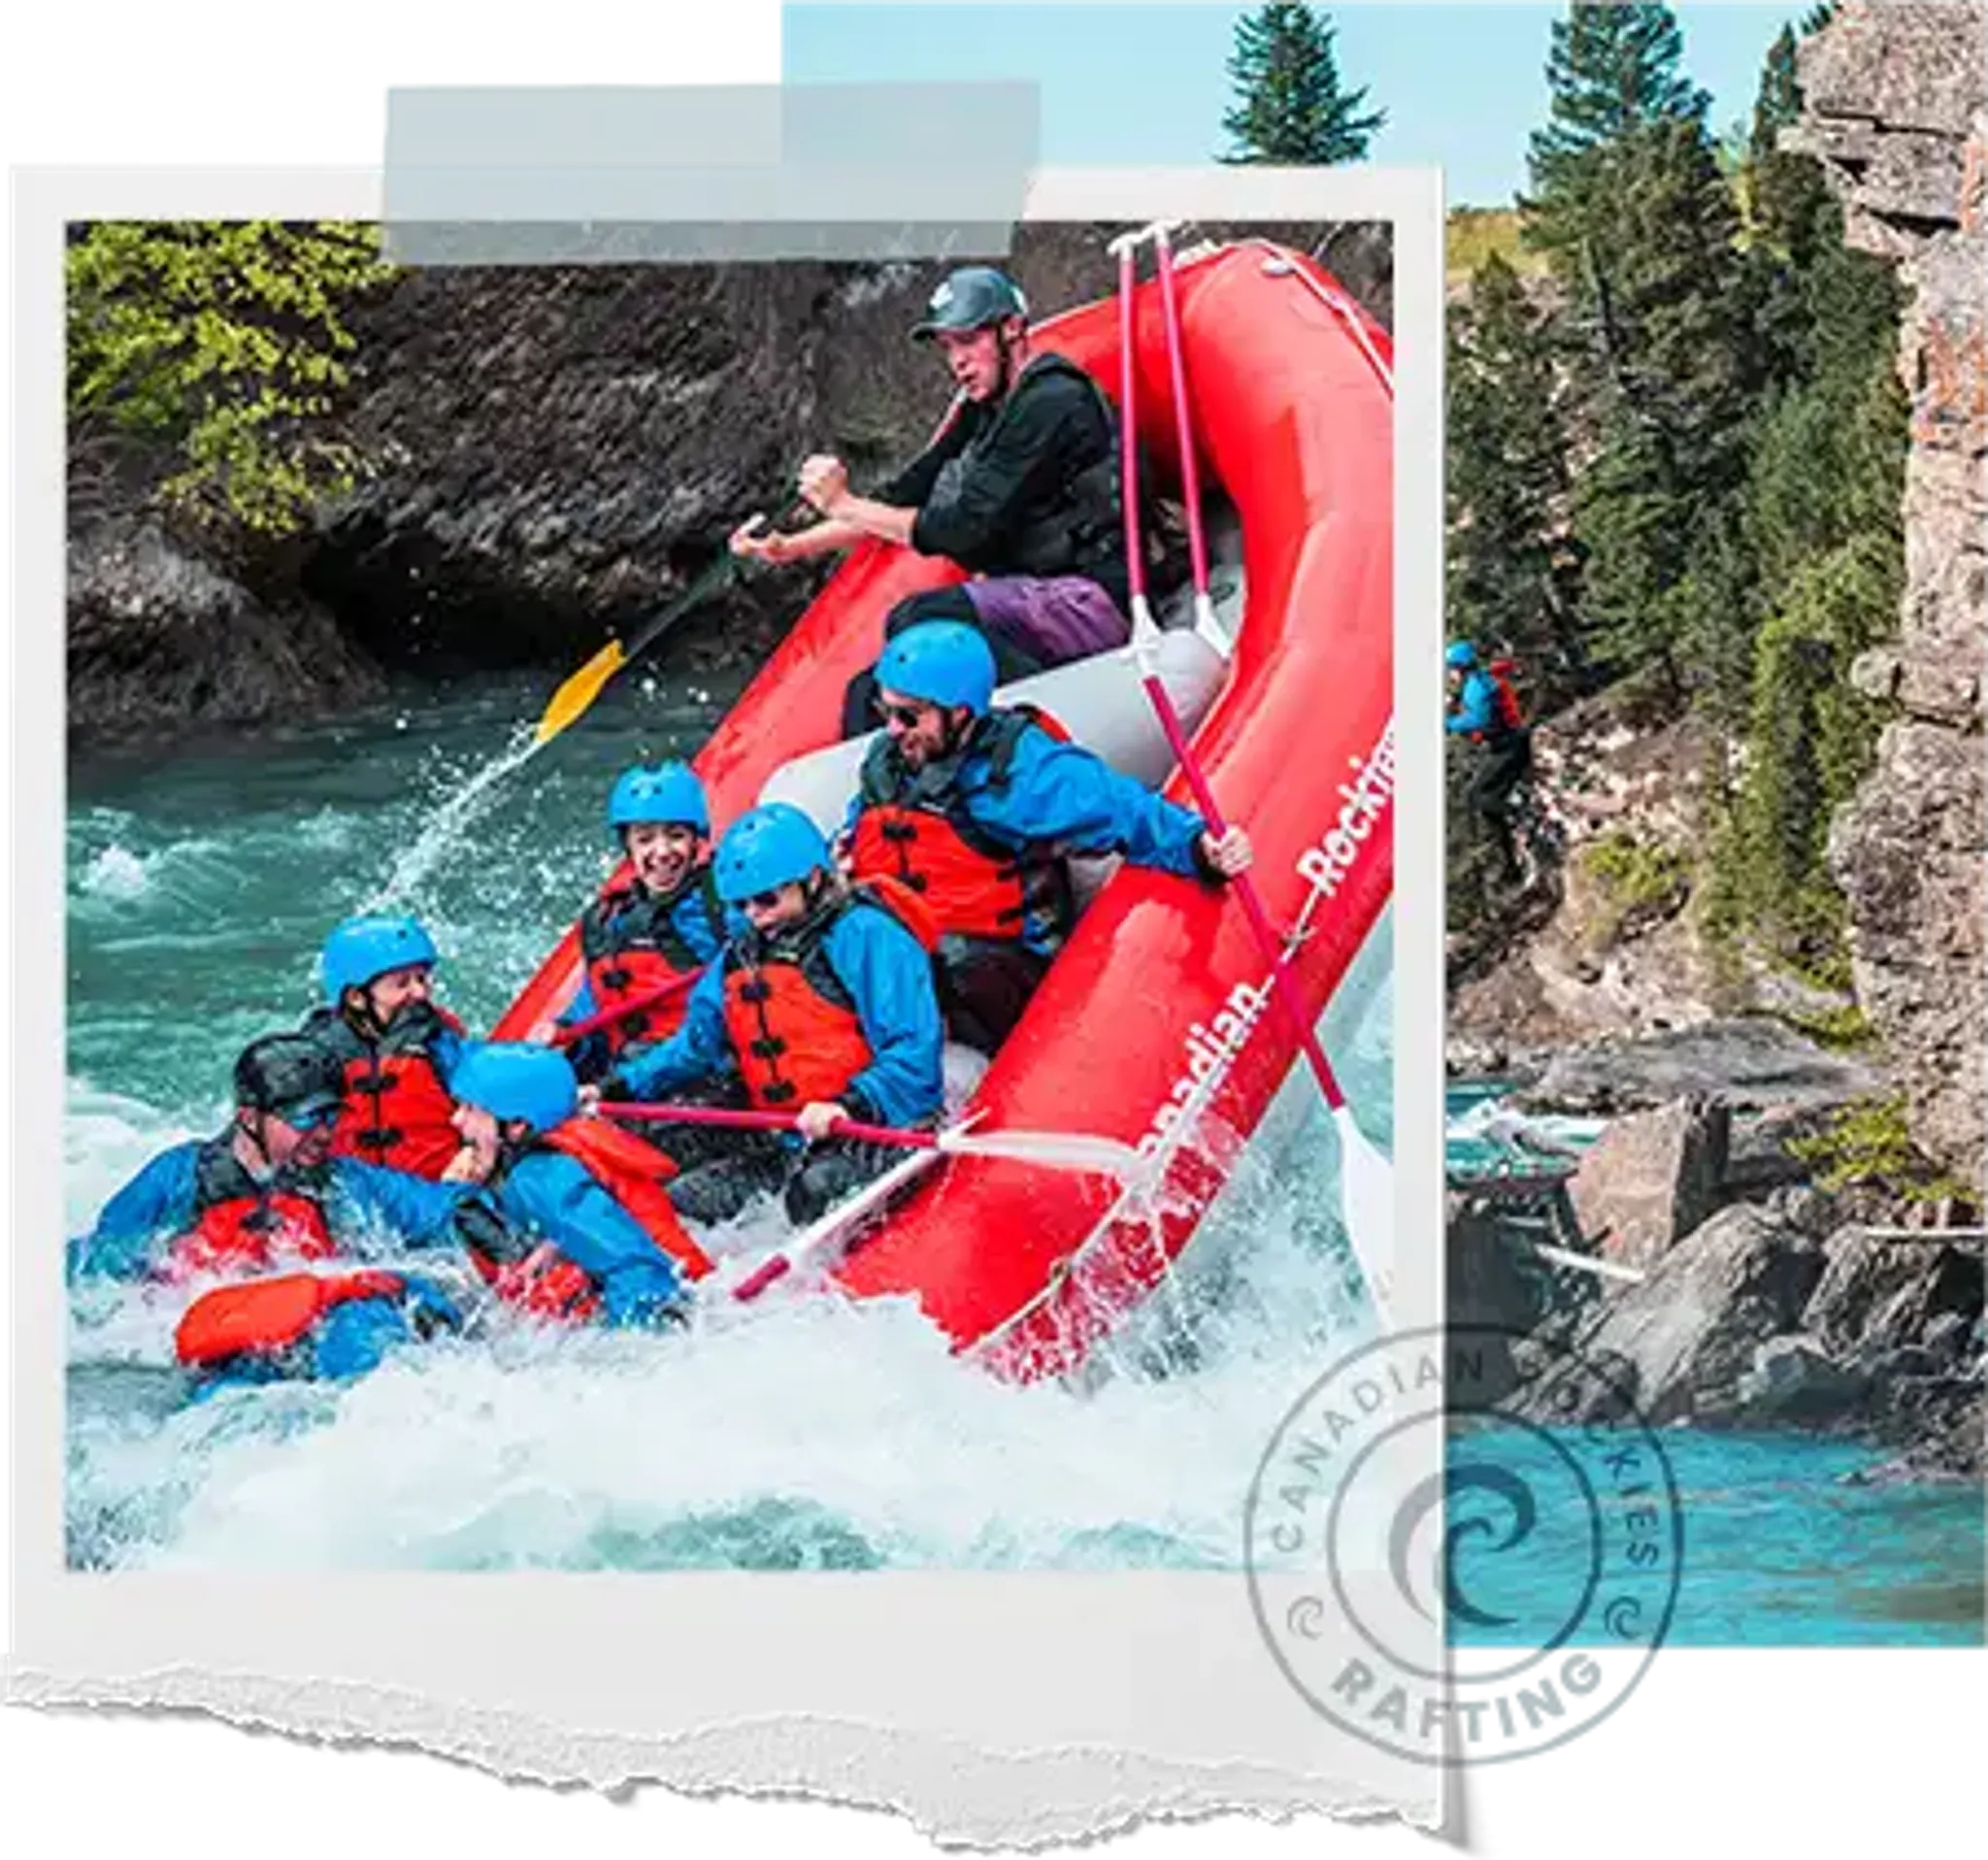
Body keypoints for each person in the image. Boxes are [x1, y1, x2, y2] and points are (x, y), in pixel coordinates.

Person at [728, 264, 1150, 739]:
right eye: (948, 346)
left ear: (1012, 330)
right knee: (868, 690)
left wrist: (844, 503)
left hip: (1088, 601)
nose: (958, 361)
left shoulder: (1052, 401)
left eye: (969, 341)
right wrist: (792, 546)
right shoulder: (985, 408)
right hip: (1026, 599)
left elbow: (963, 529)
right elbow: (906, 494)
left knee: (919, 619)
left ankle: (1034, 729)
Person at [837, 620, 1254, 1054]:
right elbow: (866, 827)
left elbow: (1125, 809)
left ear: (958, 712)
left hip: (1000, 963)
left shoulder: (1021, 776)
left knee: (953, 962)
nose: (893, 729)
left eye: (908, 715)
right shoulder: (890, 759)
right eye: (885, 712)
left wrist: (1199, 847)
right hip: (905, 941)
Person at [68, 1033, 514, 1389]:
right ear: (250, 1118)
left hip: (320, 1328)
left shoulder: (341, 1181)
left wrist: (487, 1229)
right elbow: (97, 1263)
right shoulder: (179, 1177)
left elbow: (437, 1207)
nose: (325, 1133)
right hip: (220, 1341)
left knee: (363, 1325)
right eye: (308, 1119)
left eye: (332, 1117)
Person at [589, 801, 947, 1230]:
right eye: (741, 905)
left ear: (813, 879)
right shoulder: (741, 953)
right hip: (785, 1133)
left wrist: (850, 1105)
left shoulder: (866, 935)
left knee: (811, 1194)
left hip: (876, 1124)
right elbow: (695, 1047)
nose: (754, 916)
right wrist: (617, 1087)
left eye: (766, 900)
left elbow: (914, 1052)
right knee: (681, 1197)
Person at [441, 1040, 712, 1330]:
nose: (456, 1119)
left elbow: (635, 1266)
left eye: (471, 1109)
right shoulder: (536, 1162)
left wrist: (630, 1355)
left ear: (517, 1125)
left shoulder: (542, 1177)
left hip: (668, 1306)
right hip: (678, 1291)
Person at [554, 762, 741, 1095]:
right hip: (623, 1078)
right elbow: (593, 999)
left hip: (703, 1083)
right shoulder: (608, 919)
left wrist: (623, 1084)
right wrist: (564, 1031)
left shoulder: (726, 907)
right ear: (628, 847)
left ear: (697, 840)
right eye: (645, 839)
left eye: (676, 836)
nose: (662, 852)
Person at [299, 913, 474, 1181]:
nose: (420, 992)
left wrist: (472, 1153)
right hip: (352, 1199)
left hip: (436, 1191)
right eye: (402, 983)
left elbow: (485, 1099)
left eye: (422, 979)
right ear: (357, 997)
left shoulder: (437, 1040)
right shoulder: (318, 1051)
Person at [1445, 638, 1534, 886]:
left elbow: (1479, 721)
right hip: (1508, 745)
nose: (1449, 675)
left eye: (1450, 669)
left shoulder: (1476, 687)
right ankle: (1511, 862)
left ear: (1459, 668)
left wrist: (1448, 723)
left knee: (1480, 797)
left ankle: (1519, 817)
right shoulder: (1478, 682)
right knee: (1483, 798)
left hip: (1509, 748)